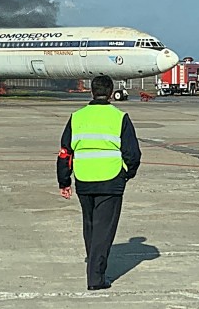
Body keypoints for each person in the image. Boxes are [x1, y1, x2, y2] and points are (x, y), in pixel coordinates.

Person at [57, 75, 142, 291]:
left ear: (91, 92)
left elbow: (65, 152)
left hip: (84, 179)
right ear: (111, 92)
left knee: (91, 226)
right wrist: (127, 173)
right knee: (104, 230)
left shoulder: (77, 117)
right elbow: (133, 153)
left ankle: (94, 264)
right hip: (110, 179)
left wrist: (64, 181)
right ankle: (95, 277)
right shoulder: (120, 117)